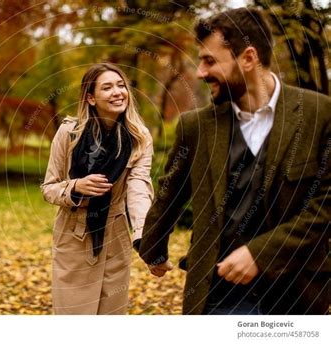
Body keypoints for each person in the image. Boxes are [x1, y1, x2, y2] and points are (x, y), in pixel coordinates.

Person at [139, 7, 330, 315]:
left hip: (296, 296)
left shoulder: (319, 115)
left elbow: (325, 206)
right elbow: (170, 191)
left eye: (209, 61)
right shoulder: (195, 127)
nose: (200, 72)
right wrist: (152, 247)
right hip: (218, 296)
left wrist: (261, 253)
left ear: (249, 58)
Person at [41, 62, 153, 314]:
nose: (117, 92)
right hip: (73, 235)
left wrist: (143, 235)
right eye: (107, 87)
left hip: (116, 237)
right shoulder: (69, 133)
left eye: (121, 85)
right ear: (91, 98)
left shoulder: (139, 138)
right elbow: (48, 188)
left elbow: (138, 188)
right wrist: (76, 186)